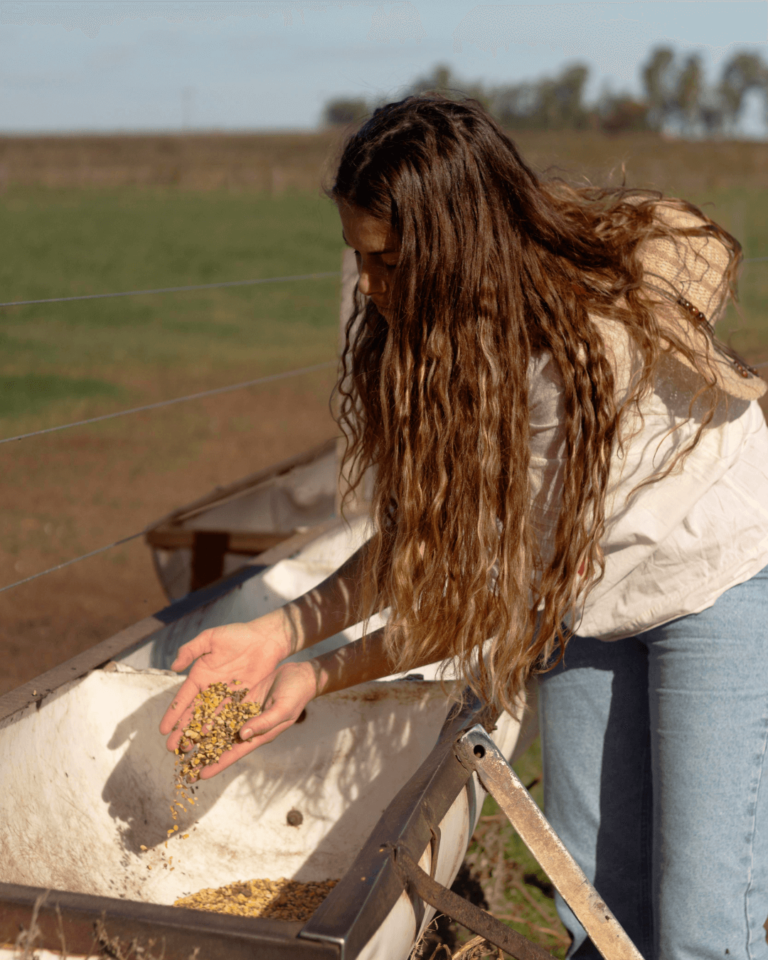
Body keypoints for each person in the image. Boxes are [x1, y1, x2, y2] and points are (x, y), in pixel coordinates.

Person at [160, 96, 768, 960]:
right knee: (598, 906)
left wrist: (319, 672)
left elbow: (470, 600)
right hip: (590, 595)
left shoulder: (572, 351)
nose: (370, 286)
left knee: (701, 925)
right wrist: (277, 638)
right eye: (359, 258)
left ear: (458, 241)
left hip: (713, 577)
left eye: (390, 259)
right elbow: (427, 539)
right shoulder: (438, 344)